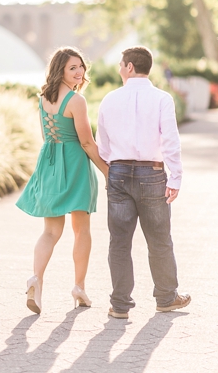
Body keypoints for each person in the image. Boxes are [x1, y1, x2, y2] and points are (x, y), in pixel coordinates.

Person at [97, 46, 190, 319]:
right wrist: (175, 176)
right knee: (159, 240)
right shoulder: (162, 99)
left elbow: (103, 144)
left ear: (129, 67)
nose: (118, 69)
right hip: (153, 174)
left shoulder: (109, 99)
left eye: (120, 64)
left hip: (118, 173)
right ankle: (166, 297)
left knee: (119, 242)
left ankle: (120, 305)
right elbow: (170, 140)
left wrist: (112, 167)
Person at [16, 46, 109, 314]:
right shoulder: (76, 101)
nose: (79, 72)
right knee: (81, 230)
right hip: (76, 165)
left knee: (50, 231)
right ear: (60, 70)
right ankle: (79, 287)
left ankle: (36, 279)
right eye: (72, 68)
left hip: (50, 163)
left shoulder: (43, 99)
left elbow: (47, 137)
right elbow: (87, 142)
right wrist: (107, 171)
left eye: (81, 67)